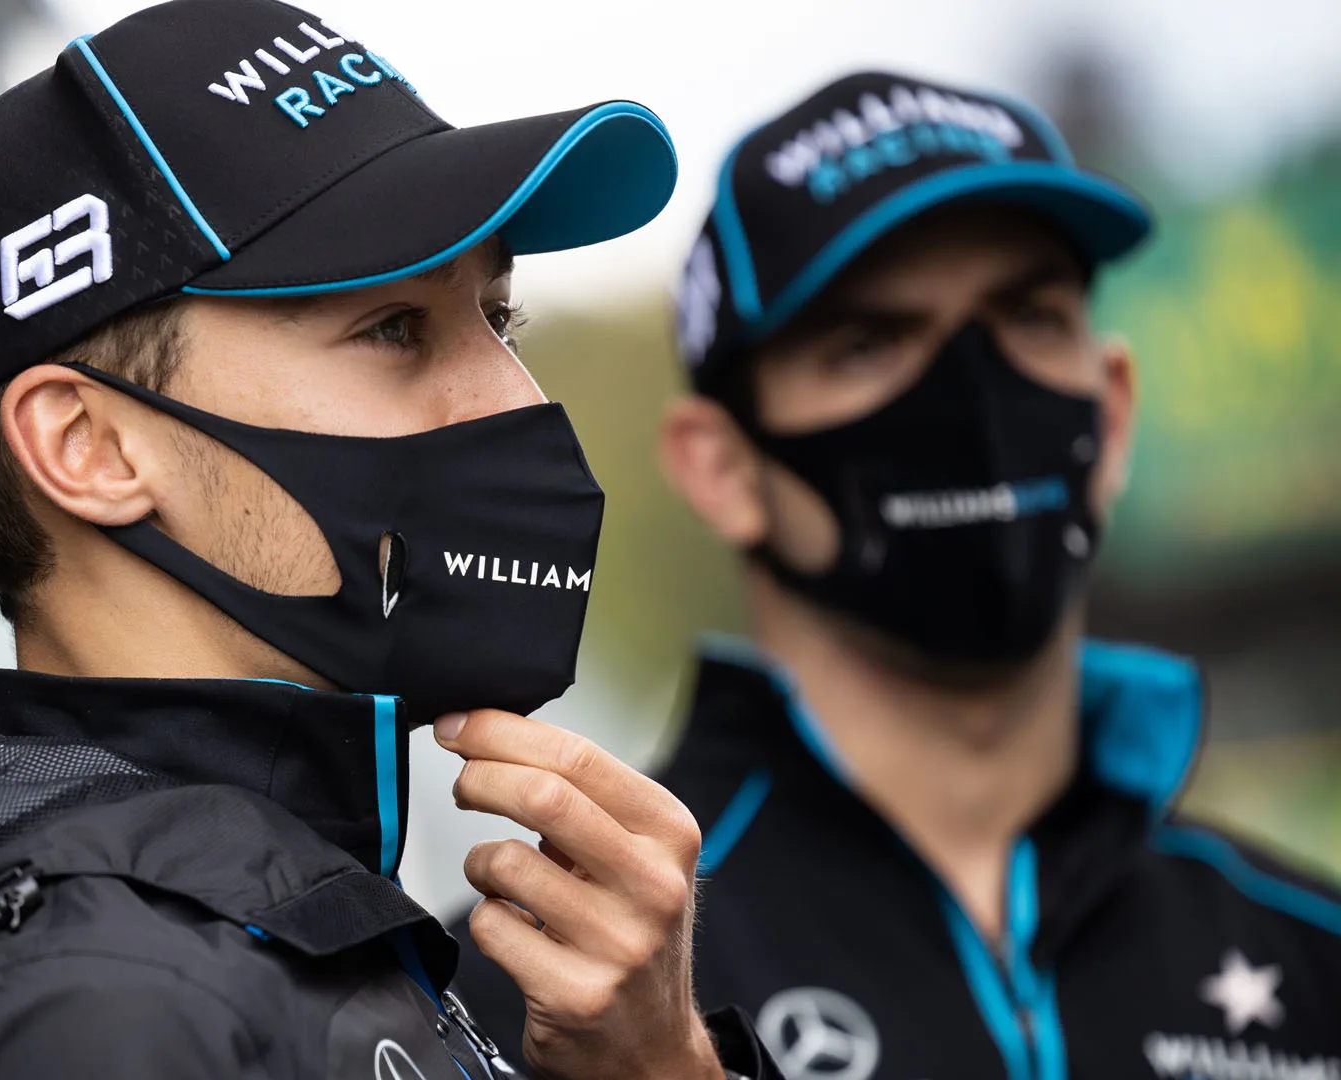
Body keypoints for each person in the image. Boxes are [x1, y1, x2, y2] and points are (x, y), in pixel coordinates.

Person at [0, 2, 780, 1077]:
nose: (516, 401)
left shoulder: (257, 906)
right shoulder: (110, 1009)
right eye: (395, 330)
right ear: (89, 448)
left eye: (499, 317)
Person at [453, 71, 1341, 1079]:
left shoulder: (1312, 955)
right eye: (870, 341)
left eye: (1029, 316)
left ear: (1116, 411)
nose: (975, 393)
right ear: (722, 466)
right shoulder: (523, 996)